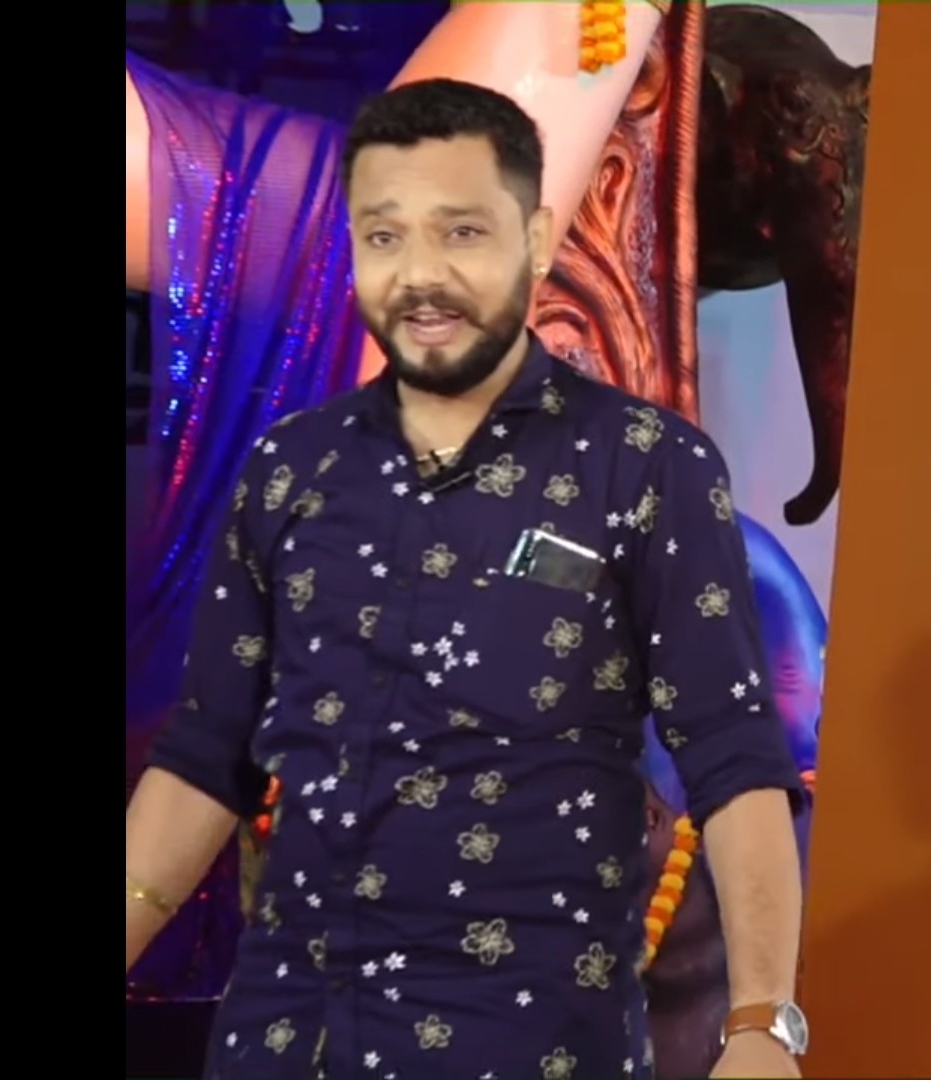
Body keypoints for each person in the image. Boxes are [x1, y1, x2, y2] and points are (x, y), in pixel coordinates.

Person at [122, 79, 811, 1080]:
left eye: (461, 233)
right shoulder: (290, 470)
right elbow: (204, 761)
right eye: (385, 236)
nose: (421, 276)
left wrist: (761, 1026)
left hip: (537, 1039)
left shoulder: (647, 468)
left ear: (536, 239)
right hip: (290, 1039)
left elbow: (737, 762)